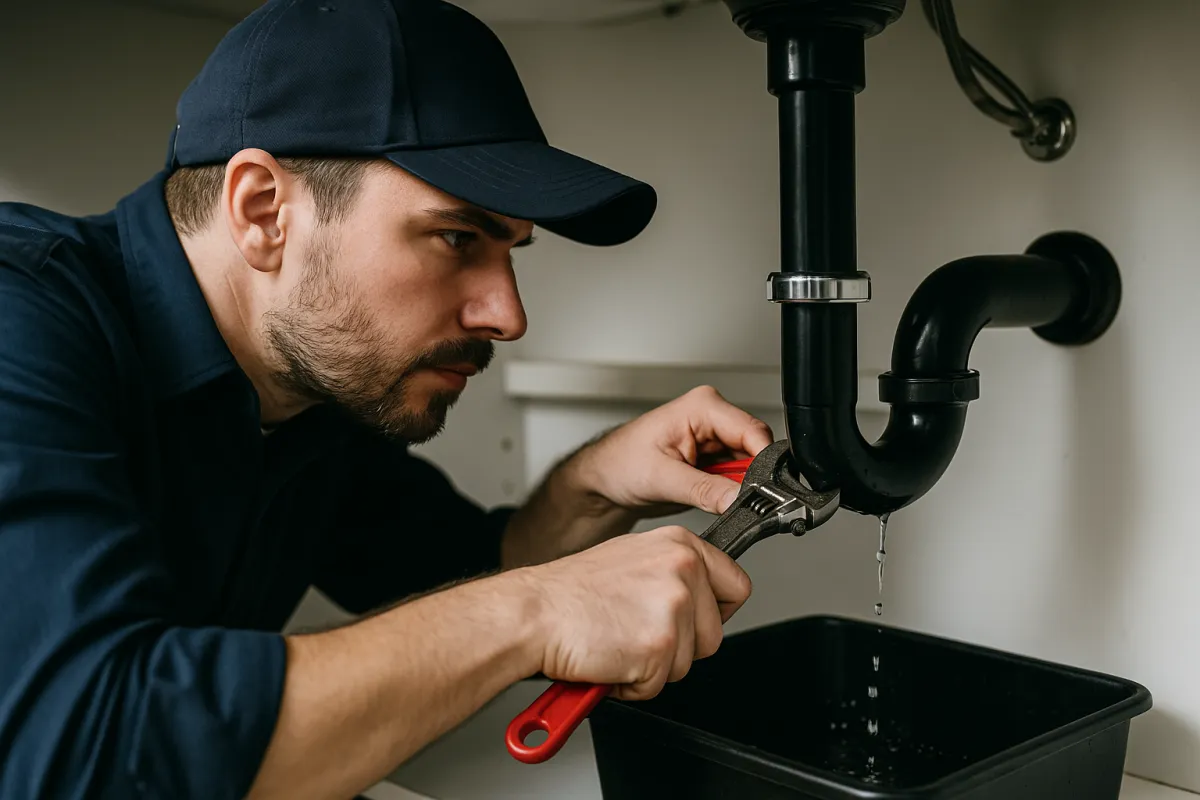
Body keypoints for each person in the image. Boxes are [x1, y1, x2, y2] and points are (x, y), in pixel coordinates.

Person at [0, 0, 776, 798]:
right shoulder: (19, 319)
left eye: (510, 254)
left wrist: (594, 485)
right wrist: (538, 608)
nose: (508, 316)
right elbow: (77, 748)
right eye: (455, 238)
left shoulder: (307, 389)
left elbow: (461, 578)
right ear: (263, 211)